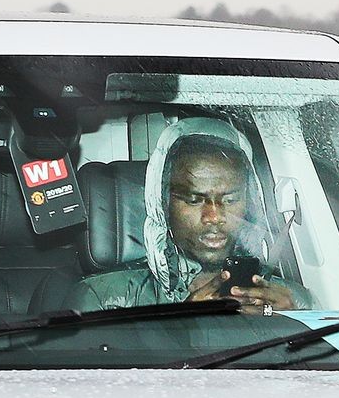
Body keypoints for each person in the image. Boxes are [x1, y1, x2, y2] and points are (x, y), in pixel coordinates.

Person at [72, 117, 308, 315]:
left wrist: (290, 325)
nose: (214, 216)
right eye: (194, 200)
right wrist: (181, 325)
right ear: (162, 204)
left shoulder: (291, 300)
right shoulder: (104, 300)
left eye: (230, 199)